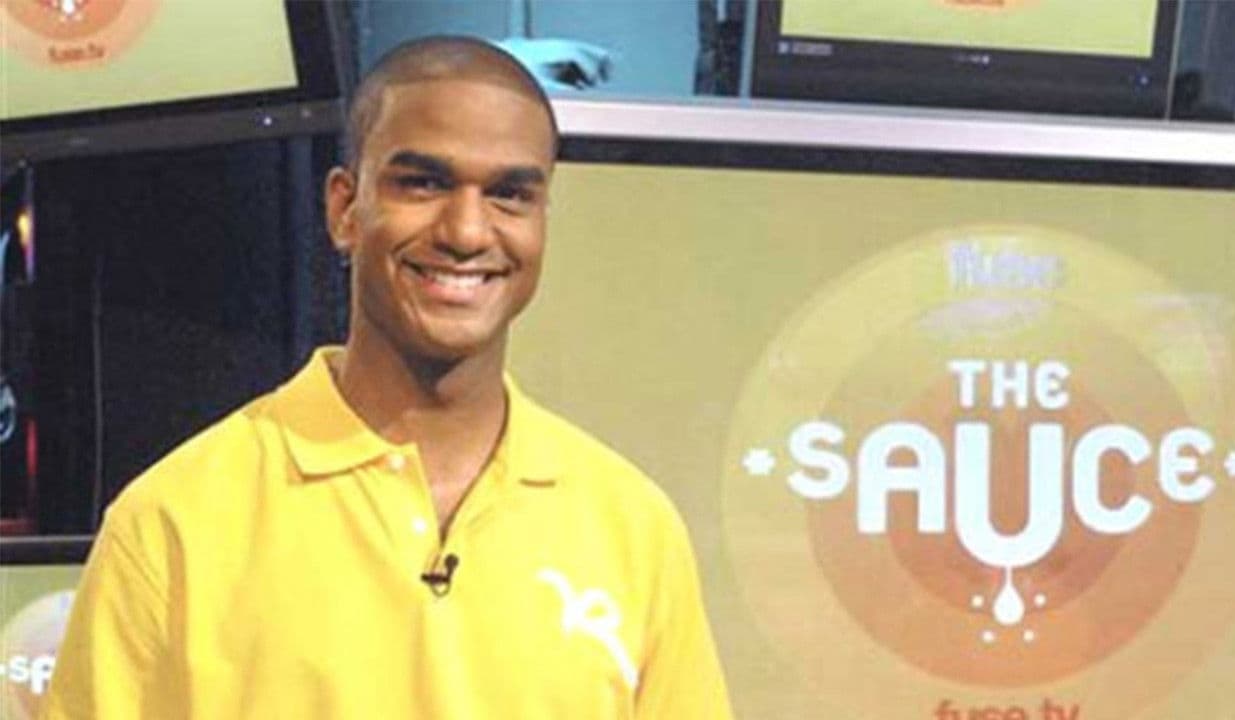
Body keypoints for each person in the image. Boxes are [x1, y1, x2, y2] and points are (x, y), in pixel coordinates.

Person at [41, 37, 733, 720]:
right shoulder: (172, 523)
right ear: (345, 210)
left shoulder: (633, 528)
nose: (466, 231)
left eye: (509, 194)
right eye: (424, 183)